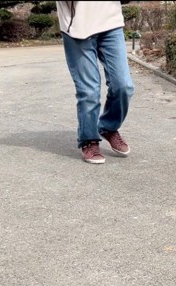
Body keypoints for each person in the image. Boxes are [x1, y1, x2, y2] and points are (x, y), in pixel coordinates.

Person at [57, 1, 134, 164]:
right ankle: (89, 139)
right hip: (78, 27)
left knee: (123, 85)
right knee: (89, 91)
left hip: (111, 22)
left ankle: (108, 127)